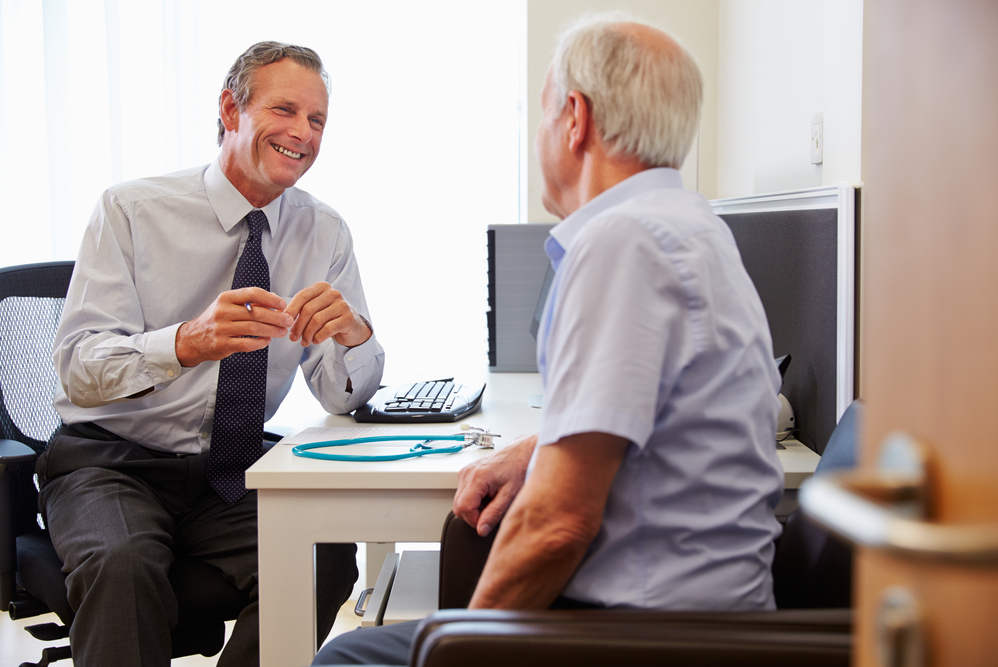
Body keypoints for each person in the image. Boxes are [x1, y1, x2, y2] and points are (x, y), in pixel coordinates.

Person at [313, 12, 783, 666]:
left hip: (655, 635)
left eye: (541, 115)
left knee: (345, 658)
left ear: (574, 117)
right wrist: (541, 448)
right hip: (705, 616)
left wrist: (458, 648)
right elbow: (653, 409)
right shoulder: (687, 226)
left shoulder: (624, 244)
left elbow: (557, 525)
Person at [39, 41, 384, 667]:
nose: (302, 134)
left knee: (323, 555)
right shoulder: (131, 211)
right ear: (231, 109)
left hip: (234, 469)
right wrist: (183, 343)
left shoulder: (324, 231)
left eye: (317, 120)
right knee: (123, 565)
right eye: (285, 110)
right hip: (113, 461)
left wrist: (354, 338)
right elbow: (76, 369)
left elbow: (341, 395)